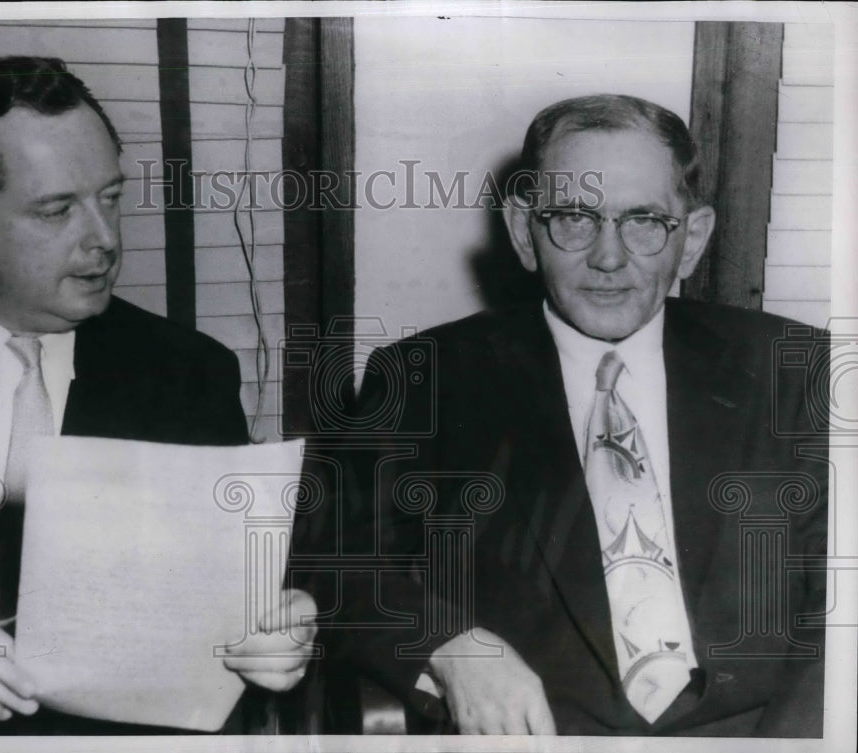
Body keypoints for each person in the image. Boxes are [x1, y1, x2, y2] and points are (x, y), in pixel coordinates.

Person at [329, 94, 827, 736]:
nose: (609, 257)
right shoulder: (424, 377)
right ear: (522, 232)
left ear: (694, 237)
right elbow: (335, 558)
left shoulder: (796, 368)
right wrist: (452, 645)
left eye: (644, 220)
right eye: (573, 218)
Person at [0, 56, 315, 734]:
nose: (105, 239)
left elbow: (224, 633)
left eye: (110, 197)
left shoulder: (188, 375)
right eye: (57, 210)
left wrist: (270, 643)